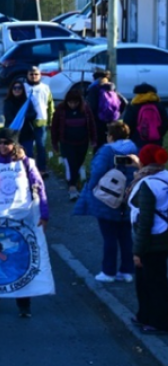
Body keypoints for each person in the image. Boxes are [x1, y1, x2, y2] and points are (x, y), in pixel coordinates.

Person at [0, 128, 48, 318]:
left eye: (6, 143)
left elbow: (39, 188)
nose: (2, 146)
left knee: (20, 262)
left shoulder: (26, 163)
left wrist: (44, 214)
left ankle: (24, 304)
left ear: (14, 144)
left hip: (21, 221)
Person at [74, 121, 138, 283]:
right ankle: (126, 270)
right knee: (125, 236)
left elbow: (97, 172)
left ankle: (108, 272)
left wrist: (89, 189)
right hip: (127, 198)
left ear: (111, 136)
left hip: (108, 199)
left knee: (109, 237)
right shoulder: (134, 149)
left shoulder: (107, 151)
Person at [127, 144, 168, 333]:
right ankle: (145, 315)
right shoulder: (164, 177)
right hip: (164, 235)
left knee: (152, 282)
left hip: (152, 240)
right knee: (152, 280)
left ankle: (158, 321)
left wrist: (137, 251)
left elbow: (145, 221)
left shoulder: (146, 184)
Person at [51, 90, 96, 200]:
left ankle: (73, 181)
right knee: (72, 163)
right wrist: (54, 142)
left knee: (79, 162)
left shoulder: (85, 109)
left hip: (83, 141)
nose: (72, 105)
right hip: (67, 142)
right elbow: (54, 127)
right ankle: (72, 186)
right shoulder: (61, 110)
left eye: (75, 103)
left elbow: (92, 124)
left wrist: (93, 139)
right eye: (70, 102)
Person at [23, 66, 54, 175]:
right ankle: (29, 169)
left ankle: (42, 169)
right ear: (27, 75)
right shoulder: (22, 87)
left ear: (40, 75)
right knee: (27, 148)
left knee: (41, 146)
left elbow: (50, 105)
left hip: (41, 121)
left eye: (36, 74)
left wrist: (51, 120)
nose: (34, 76)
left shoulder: (45, 87)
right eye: (31, 74)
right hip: (26, 122)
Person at [86, 69, 126, 152]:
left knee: (98, 145)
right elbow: (125, 102)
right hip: (112, 121)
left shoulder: (94, 89)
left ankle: (99, 162)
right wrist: (117, 114)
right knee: (111, 143)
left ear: (95, 78)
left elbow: (91, 107)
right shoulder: (112, 88)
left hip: (98, 122)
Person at [123, 83, 168, 149]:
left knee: (140, 158)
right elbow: (165, 122)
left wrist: (132, 136)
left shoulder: (133, 106)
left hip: (138, 139)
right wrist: (159, 133)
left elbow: (128, 123)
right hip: (157, 139)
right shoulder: (159, 105)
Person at [3, 81, 36, 153]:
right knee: (12, 156)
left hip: (26, 134)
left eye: (19, 88)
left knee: (27, 155)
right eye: (14, 88)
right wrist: (19, 118)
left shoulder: (27, 102)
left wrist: (24, 116)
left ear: (23, 90)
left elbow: (33, 114)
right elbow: (8, 117)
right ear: (11, 90)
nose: (17, 90)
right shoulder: (7, 102)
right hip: (12, 134)